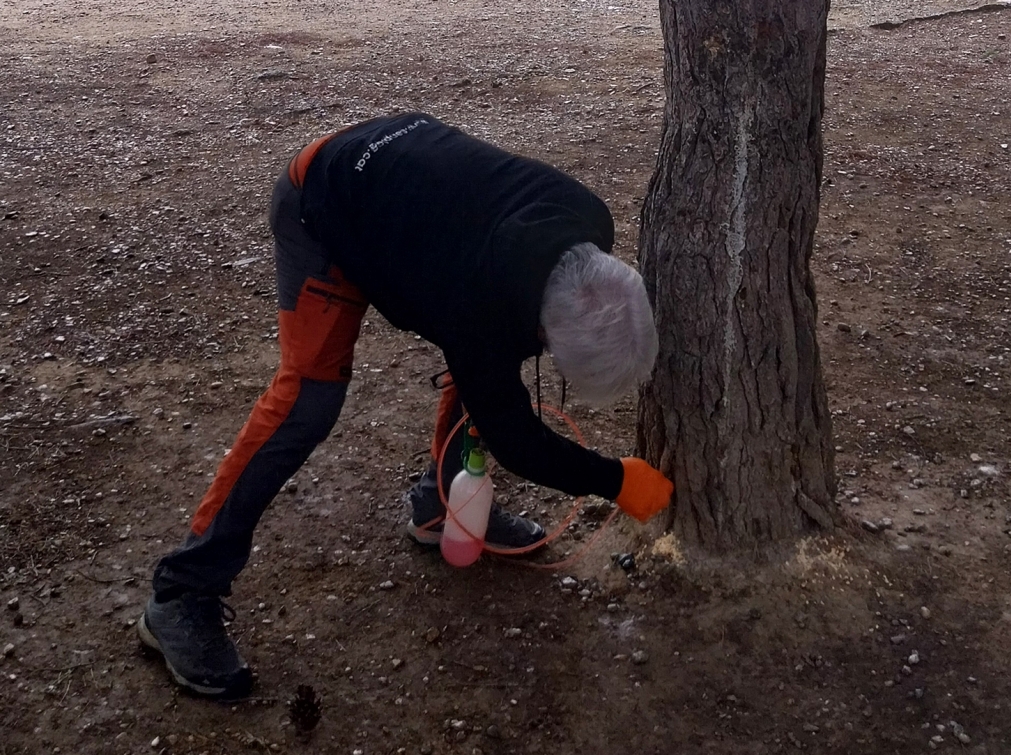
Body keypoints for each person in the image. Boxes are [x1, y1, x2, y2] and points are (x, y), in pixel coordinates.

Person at [137, 113, 673, 699]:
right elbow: (515, 438)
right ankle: (182, 592)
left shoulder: (587, 219)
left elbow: (496, 372)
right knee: (308, 402)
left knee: (486, 370)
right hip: (325, 199)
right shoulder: (476, 303)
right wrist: (614, 479)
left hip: (410, 183)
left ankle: (441, 506)